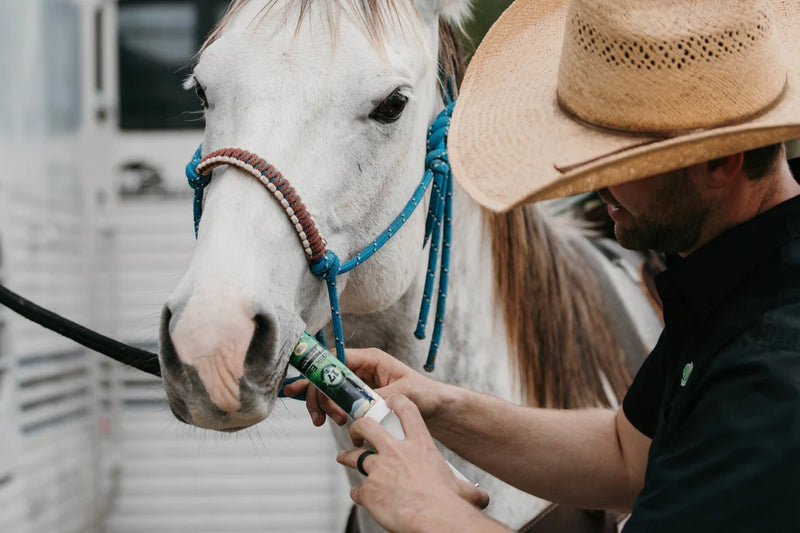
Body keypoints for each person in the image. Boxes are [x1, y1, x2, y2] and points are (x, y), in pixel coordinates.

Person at [285, 0, 800, 531]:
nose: (592, 182)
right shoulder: (737, 280)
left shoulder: (773, 370)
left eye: (618, 159)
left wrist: (430, 509)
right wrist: (440, 406)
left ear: (720, 160)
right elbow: (628, 455)